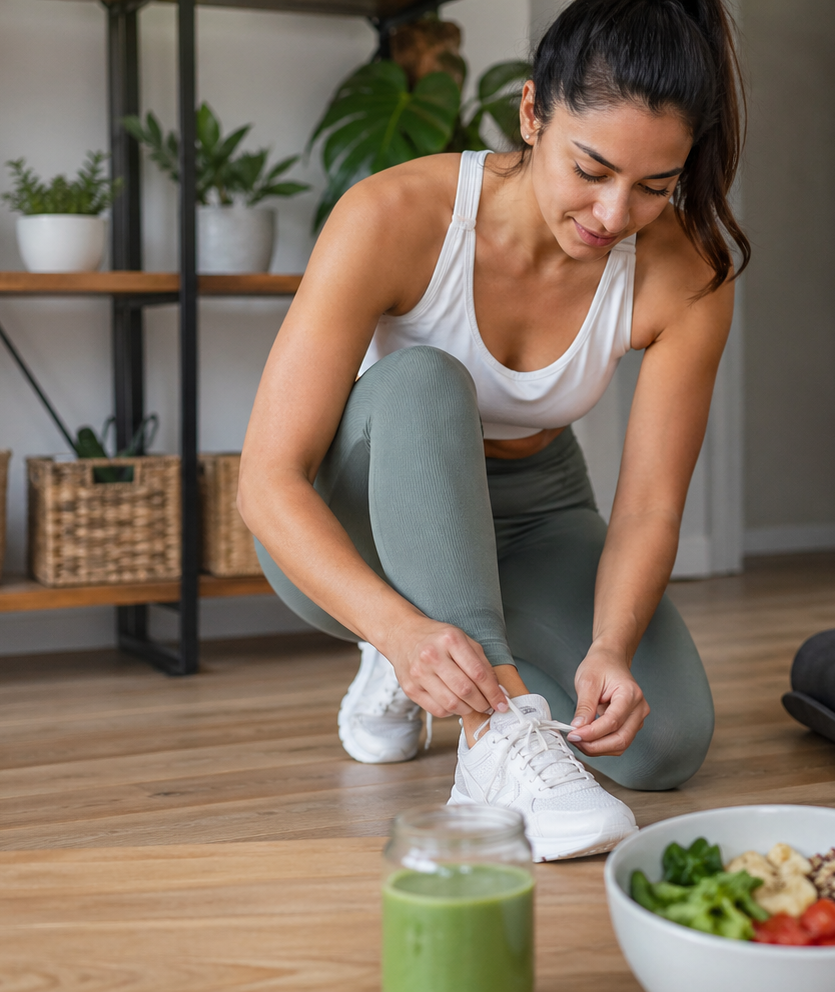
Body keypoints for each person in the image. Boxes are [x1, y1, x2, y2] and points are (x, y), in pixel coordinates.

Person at [238, 0, 746, 862]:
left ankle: (466, 646)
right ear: (531, 112)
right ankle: (485, 728)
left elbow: (649, 508)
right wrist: (399, 631)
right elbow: (266, 482)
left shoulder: (687, 275)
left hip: (535, 509)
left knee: (664, 745)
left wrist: (611, 648)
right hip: (367, 519)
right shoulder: (394, 214)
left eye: (654, 186)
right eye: (591, 168)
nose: (613, 214)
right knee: (429, 380)